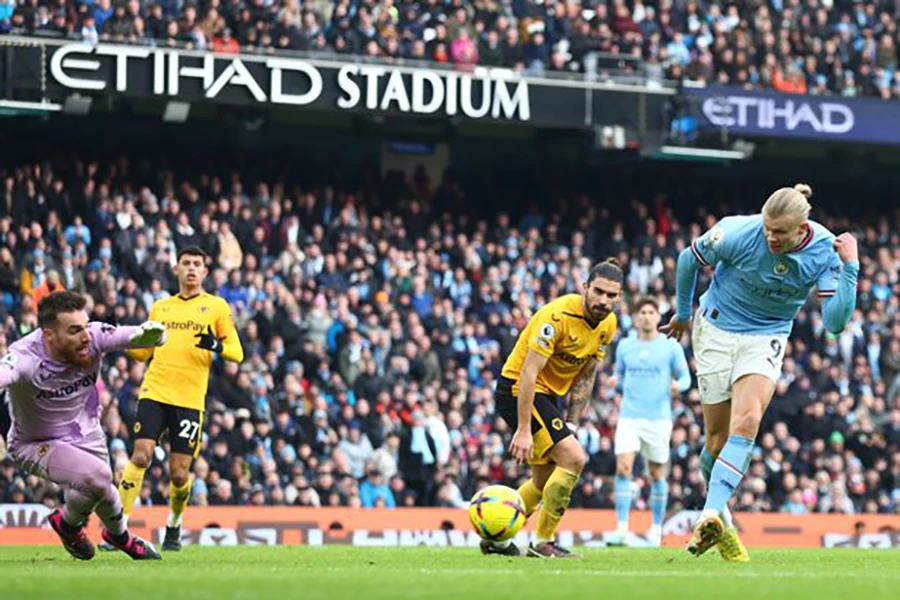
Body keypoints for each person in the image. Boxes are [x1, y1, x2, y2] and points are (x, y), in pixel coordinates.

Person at [663, 183, 859, 560]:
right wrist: (684, 315)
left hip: (766, 336)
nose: (770, 237)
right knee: (716, 443)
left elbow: (834, 322)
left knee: (748, 421)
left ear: (802, 228)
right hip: (716, 329)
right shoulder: (737, 231)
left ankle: (707, 515)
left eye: (780, 233)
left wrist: (851, 267)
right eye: (768, 228)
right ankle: (725, 525)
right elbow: (689, 261)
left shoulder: (824, 250)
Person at [1, 291, 166, 560]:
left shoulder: (95, 335)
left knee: (107, 492)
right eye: (75, 330)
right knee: (98, 477)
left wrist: (156, 335)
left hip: (86, 430)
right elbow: (5, 370)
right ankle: (68, 525)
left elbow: (139, 335)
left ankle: (119, 537)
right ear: (49, 335)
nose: (85, 336)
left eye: (85, 325)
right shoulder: (26, 357)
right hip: (36, 443)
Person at [486, 259, 622, 558]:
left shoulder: (608, 325)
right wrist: (523, 430)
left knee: (543, 480)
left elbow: (586, 376)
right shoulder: (556, 316)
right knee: (574, 459)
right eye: (598, 291)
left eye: (611, 295)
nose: (603, 300)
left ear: (619, 296)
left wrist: (571, 422)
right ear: (584, 287)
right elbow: (527, 374)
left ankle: (494, 536)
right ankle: (544, 541)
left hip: (548, 397)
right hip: (519, 390)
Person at [115, 246, 244, 551]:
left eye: (197, 264)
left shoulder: (216, 307)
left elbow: (237, 353)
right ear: (176, 269)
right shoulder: (161, 308)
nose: (191, 268)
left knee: (179, 472)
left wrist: (216, 345)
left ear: (204, 272)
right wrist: (126, 341)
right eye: (186, 263)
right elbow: (142, 354)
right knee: (141, 455)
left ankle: (173, 524)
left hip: (189, 399)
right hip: (155, 390)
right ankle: (117, 527)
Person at [607, 297, 690, 548]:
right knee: (623, 468)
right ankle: (621, 529)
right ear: (635, 317)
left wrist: (678, 386)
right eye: (641, 312)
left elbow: (686, 377)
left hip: (658, 418)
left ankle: (655, 529)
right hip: (629, 415)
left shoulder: (670, 346)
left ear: (658, 317)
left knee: (656, 473)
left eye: (650, 312)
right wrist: (614, 384)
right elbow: (619, 376)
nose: (646, 316)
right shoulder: (624, 346)